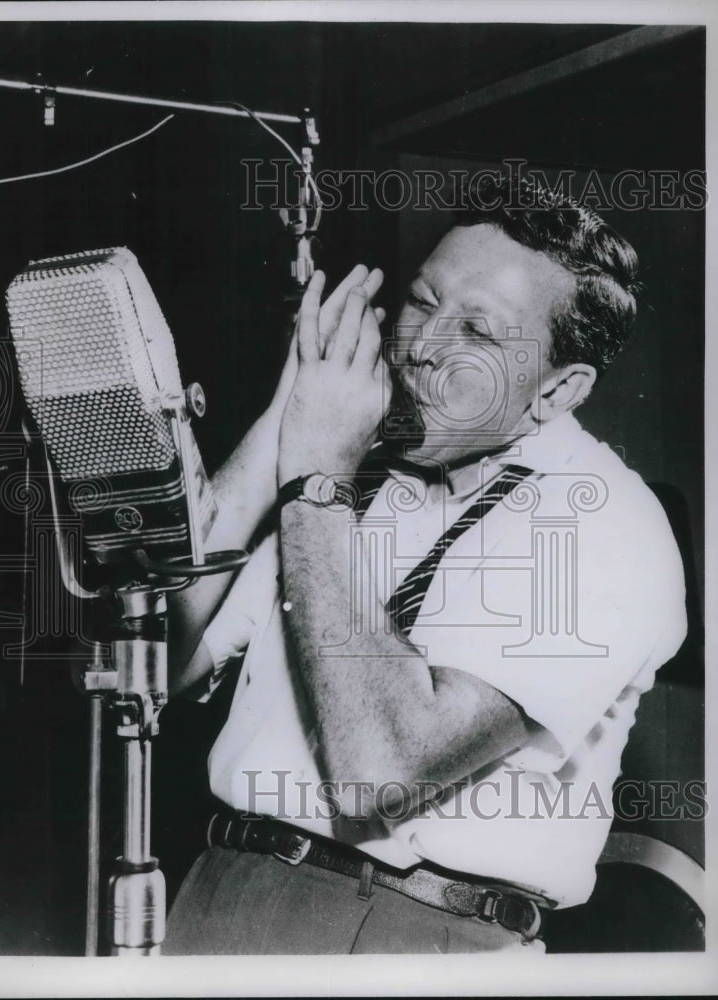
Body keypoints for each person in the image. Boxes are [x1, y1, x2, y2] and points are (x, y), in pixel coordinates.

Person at [163, 176, 687, 954]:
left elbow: (379, 773)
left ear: (555, 390)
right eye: (420, 300)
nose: (421, 344)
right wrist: (283, 421)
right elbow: (155, 659)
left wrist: (311, 485)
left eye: (477, 331)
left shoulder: (602, 520)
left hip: (407, 927)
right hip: (222, 888)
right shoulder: (354, 466)